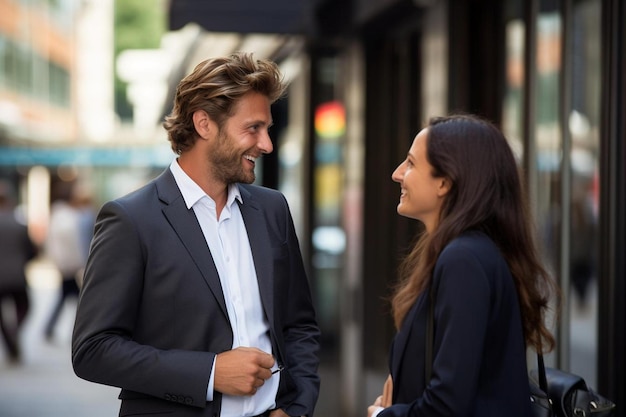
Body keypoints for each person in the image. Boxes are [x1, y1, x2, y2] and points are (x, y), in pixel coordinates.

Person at [72, 52, 320, 417]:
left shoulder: (272, 210)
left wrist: (296, 408)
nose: (266, 144)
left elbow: (299, 325)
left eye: (266, 129)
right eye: (253, 128)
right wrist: (211, 372)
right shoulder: (131, 219)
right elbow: (93, 349)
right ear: (204, 124)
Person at [367, 114, 557, 417]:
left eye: (412, 163)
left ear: (445, 182)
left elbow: (448, 404)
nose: (397, 173)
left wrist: (383, 416)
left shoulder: (464, 260)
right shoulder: (471, 253)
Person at [44, 182, 89, 341]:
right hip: (67, 264)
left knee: (66, 297)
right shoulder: (66, 217)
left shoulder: (61, 215)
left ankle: (50, 328)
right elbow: (68, 243)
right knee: (77, 298)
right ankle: (81, 329)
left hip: (66, 264)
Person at [0, 180, 38, 363]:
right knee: (25, 307)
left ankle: (11, 345)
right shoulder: (19, 224)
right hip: (16, 276)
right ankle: (14, 335)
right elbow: (32, 251)